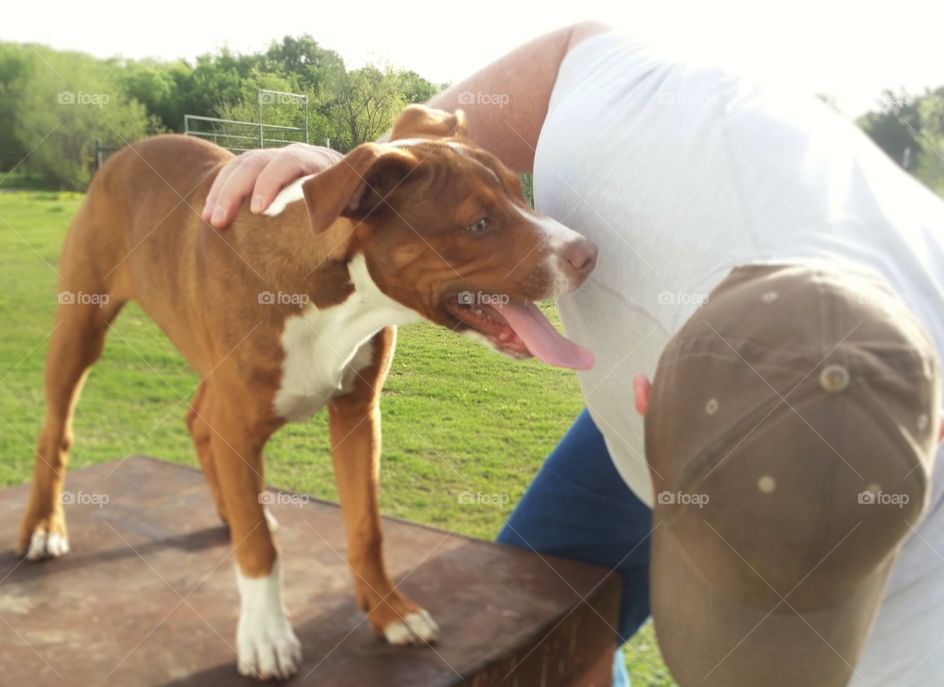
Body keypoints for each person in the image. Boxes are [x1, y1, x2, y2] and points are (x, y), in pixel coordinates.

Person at [201, 22, 944, 686]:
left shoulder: (918, 643)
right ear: (645, 400)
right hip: (702, 393)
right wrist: (349, 174)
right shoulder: (622, 121)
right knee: (532, 634)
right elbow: (559, 55)